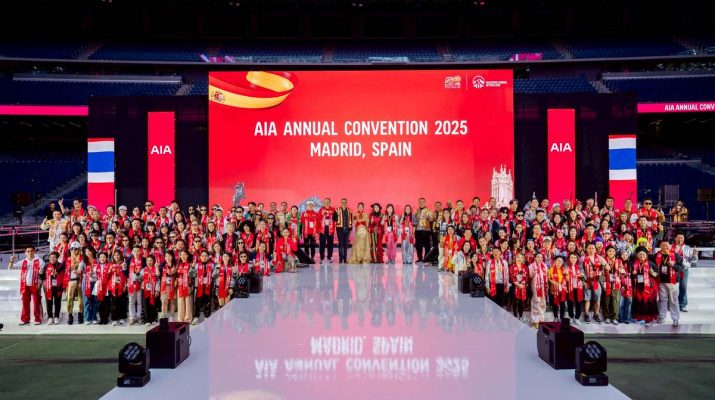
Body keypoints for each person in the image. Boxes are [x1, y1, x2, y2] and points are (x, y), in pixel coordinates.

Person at [9, 246, 45, 325]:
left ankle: (38, 319)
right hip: (25, 285)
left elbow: (42, 273)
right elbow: (11, 268)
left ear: (34, 251)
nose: (30, 253)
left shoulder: (40, 261)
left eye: (31, 251)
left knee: (36, 302)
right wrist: (11, 261)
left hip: (35, 285)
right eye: (28, 251)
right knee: (25, 303)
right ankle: (25, 319)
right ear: (25, 253)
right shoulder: (23, 262)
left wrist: (41, 273)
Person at [653, 241, 684, 326]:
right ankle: (662, 317)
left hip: (673, 282)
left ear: (670, 246)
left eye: (666, 245)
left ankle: (675, 319)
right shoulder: (656, 255)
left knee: (674, 300)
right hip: (661, 281)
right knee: (662, 300)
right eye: (663, 245)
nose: (665, 247)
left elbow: (681, 268)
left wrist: (673, 265)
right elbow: (652, 266)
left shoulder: (676, 255)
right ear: (660, 246)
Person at [631, 246, 659, 323]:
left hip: (649, 286)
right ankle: (639, 317)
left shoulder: (650, 263)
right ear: (637, 255)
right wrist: (633, 274)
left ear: (646, 255)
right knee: (639, 301)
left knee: (648, 301)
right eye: (640, 254)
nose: (642, 256)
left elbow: (657, 274)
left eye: (643, 254)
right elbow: (631, 276)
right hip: (638, 285)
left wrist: (652, 273)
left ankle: (647, 318)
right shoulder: (634, 264)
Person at [672, 232, 697, 312]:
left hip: (684, 269)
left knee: (683, 287)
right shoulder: (670, 247)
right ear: (675, 238)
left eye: (682, 238)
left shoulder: (687, 248)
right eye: (678, 238)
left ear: (684, 239)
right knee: (671, 288)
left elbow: (693, 261)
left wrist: (694, 255)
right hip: (673, 269)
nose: (680, 240)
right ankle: (671, 304)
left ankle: (682, 305)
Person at [582, 243, 607, 323]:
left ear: (595, 249)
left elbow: (605, 270)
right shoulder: (583, 258)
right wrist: (583, 281)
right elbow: (581, 271)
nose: (591, 250)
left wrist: (602, 282)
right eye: (589, 248)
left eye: (593, 248)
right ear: (586, 249)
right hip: (587, 281)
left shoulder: (600, 258)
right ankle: (586, 315)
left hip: (597, 281)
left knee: (597, 299)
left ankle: (596, 315)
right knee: (587, 299)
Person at [40, 251, 64, 325]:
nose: (52, 259)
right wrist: (40, 273)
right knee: (49, 302)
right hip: (48, 287)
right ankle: (50, 317)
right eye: (50, 257)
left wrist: (57, 273)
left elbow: (64, 274)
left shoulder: (61, 265)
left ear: (57, 258)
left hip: (58, 286)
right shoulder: (46, 265)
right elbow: (42, 277)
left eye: (54, 257)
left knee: (57, 302)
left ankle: (56, 317)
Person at [65, 242, 85, 325]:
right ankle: (70, 315)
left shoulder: (83, 258)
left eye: (75, 249)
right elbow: (65, 271)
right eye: (72, 249)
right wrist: (69, 268)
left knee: (81, 299)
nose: (73, 250)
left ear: (79, 249)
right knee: (70, 298)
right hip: (71, 280)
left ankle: (81, 314)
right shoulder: (68, 259)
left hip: (81, 280)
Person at [602, 246, 622, 324]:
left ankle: (615, 317)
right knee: (606, 300)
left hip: (616, 282)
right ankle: (607, 317)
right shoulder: (603, 260)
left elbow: (622, 272)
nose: (611, 253)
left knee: (615, 300)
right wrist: (603, 282)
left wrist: (621, 271)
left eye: (613, 251)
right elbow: (600, 272)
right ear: (606, 252)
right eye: (609, 251)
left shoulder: (619, 261)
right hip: (606, 282)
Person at [192, 250, 213, 325]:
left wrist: (217, 268)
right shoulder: (197, 265)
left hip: (208, 285)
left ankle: (207, 316)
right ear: (200, 257)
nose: (204, 257)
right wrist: (192, 267)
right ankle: (196, 317)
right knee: (198, 302)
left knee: (208, 301)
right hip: (199, 286)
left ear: (208, 257)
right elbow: (191, 275)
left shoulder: (211, 265)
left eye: (206, 256)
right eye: (202, 256)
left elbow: (214, 275)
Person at [127, 246, 145, 325]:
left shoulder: (143, 260)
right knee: (131, 301)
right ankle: (132, 317)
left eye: (138, 251)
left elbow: (146, 270)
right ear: (132, 252)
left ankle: (139, 317)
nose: (136, 253)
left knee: (139, 301)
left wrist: (140, 275)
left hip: (140, 283)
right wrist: (124, 268)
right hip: (131, 283)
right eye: (135, 251)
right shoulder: (129, 260)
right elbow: (125, 272)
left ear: (140, 252)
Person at [529, 253, 549, 326]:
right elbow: (530, 277)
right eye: (538, 257)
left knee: (543, 303)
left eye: (541, 257)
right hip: (535, 287)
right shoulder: (531, 266)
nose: (540, 258)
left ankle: (541, 319)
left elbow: (547, 276)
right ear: (534, 258)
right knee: (536, 303)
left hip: (543, 287)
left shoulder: (545, 266)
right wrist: (533, 273)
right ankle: (535, 321)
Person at [141, 255, 161, 325]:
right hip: (145, 289)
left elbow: (158, 279)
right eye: (148, 260)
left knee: (153, 304)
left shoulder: (156, 269)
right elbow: (140, 279)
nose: (149, 262)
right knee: (146, 305)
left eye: (151, 260)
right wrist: (137, 275)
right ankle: (147, 320)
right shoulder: (143, 270)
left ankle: (153, 319)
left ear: (153, 261)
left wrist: (157, 290)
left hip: (154, 289)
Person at [548, 255, 568, 321]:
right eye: (558, 260)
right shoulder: (551, 269)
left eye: (561, 261)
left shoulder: (564, 269)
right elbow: (548, 278)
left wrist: (567, 274)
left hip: (562, 289)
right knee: (554, 303)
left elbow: (567, 279)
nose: (560, 262)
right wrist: (552, 282)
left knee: (562, 303)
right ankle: (555, 317)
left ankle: (562, 317)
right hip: (554, 288)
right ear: (555, 261)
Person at [510, 253, 528, 321]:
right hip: (515, 286)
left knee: (521, 303)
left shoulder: (525, 267)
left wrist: (523, 283)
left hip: (523, 286)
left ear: (523, 259)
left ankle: (520, 316)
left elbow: (527, 276)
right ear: (515, 258)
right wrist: (517, 284)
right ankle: (515, 317)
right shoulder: (512, 267)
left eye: (521, 257)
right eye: (518, 257)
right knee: (515, 302)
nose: (519, 259)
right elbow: (511, 276)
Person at [414, 198, 433, 263]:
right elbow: (414, 221)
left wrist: (429, 218)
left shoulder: (429, 211)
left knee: (427, 245)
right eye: (420, 202)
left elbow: (432, 220)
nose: (421, 203)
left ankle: (426, 258)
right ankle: (419, 258)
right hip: (417, 231)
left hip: (426, 231)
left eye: (423, 202)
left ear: (425, 203)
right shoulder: (416, 211)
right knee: (418, 245)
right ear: (418, 203)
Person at [176, 250, 193, 323]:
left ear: (187, 255)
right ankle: (180, 319)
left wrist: (190, 285)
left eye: (184, 254)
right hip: (180, 285)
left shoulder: (190, 264)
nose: (183, 256)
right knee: (180, 303)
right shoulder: (178, 265)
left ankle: (188, 319)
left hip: (188, 286)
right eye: (181, 254)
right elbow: (176, 275)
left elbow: (193, 276)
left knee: (188, 302)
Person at [318, 197, 336, 262]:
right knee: (322, 244)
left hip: (330, 229)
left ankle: (329, 257)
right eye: (325, 202)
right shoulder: (321, 209)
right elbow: (318, 219)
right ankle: (321, 257)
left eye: (328, 202)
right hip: (322, 229)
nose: (326, 203)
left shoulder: (333, 210)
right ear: (323, 203)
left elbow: (335, 219)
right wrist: (322, 215)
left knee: (330, 244)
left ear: (330, 202)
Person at [334, 198, 353, 263]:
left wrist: (350, 228)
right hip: (340, 229)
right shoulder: (337, 210)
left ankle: (345, 259)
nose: (344, 203)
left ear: (346, 203)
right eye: (342, 202)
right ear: (341, 203)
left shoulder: (349, 211)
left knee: (345, 244)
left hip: (347, 229)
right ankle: (340, 258)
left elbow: (351, 220)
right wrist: (337, 214)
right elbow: (334, 219)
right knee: (340, 244)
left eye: (345, 202)